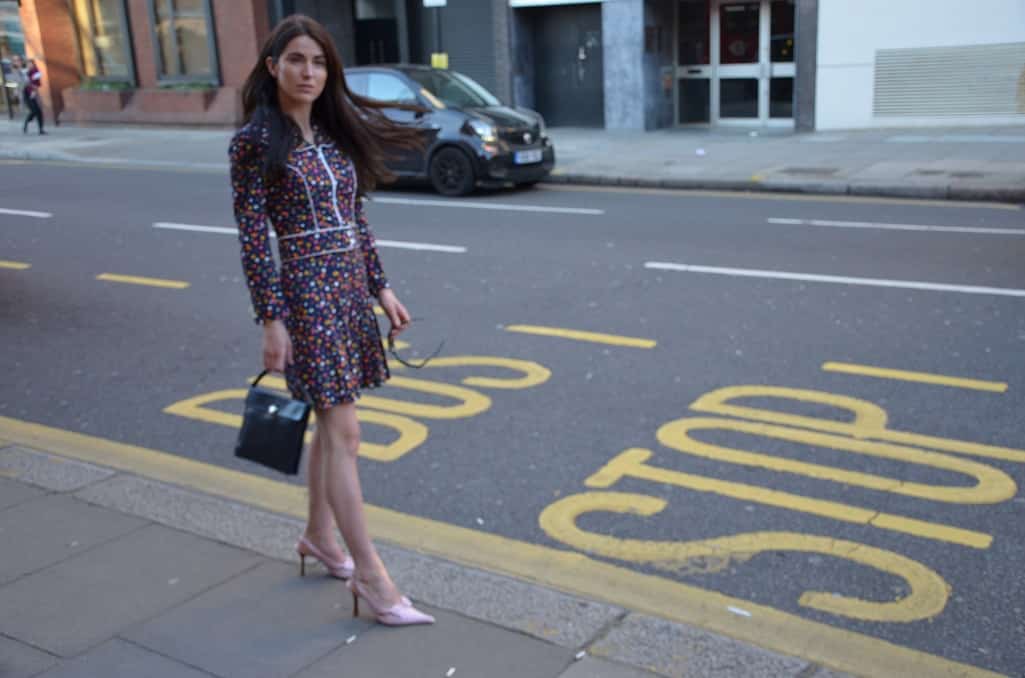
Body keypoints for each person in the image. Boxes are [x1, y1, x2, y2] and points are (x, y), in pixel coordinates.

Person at [229, 15, 433, 627]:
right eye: (296, 60)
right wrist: (272, 318)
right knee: (345, 434)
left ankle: (320, 536)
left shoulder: (331, 134)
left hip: (346, 292)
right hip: (306, 298)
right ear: (273, 68)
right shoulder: (254, 143)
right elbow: (251, 239)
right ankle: (373, 579)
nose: (309, 72)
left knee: (331, 425)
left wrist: (382, 288)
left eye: (318, 62)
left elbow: (356, 221)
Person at [22, 58, 45, 135]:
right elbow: (25, 83)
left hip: (34, 93)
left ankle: (41, 129)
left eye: (31, 64)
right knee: (34, 111)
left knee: (39, 112)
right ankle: (26, 123)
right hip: (27, 94)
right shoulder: (26, 72)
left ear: (33, 64)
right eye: (28, 64)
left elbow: (38, 83)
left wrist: (34, 88)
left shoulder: (36, 71)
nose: (29, 65)